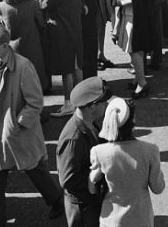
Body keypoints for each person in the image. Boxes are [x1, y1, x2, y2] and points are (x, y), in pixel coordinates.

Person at [0, 23, 63, 227]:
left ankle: (58, 201)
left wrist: (18, 124)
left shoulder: (23, 66)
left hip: (17, 132)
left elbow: (35, 101)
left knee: (34, 169)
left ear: (4, 45)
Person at [88, 98, 165, 227]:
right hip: (141, 219)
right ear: (133, 121)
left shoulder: (98, 152)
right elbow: (158, 188)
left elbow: (91, 188)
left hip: (111, 221)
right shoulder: (150, 150)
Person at [56, 76, 111, 227]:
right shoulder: (73, 139)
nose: (106, 104)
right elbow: (68, 180)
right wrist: (93, 182)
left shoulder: (90, 123)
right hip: (83, 208)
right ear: (92, 107)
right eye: (103, 102)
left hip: (89, 202)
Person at [112, 0, 156, 100]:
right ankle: (137, 78)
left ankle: (142, 83)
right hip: (127, 13)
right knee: (135, 49)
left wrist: (125, 0)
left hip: (138, 15)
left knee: (134, 49)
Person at [40, 0, 84, 116]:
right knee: (77, 66)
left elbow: (42, 5)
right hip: (75, 29)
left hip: (63, 33)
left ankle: (68, 103)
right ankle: (81, 100)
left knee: (67, 70)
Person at [0, 0, 48, 90]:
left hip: (13, 47)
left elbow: (3, 24)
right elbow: (41, 23)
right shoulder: (32, 4)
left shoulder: (0, 6)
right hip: (32, 46)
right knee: (35, 81)